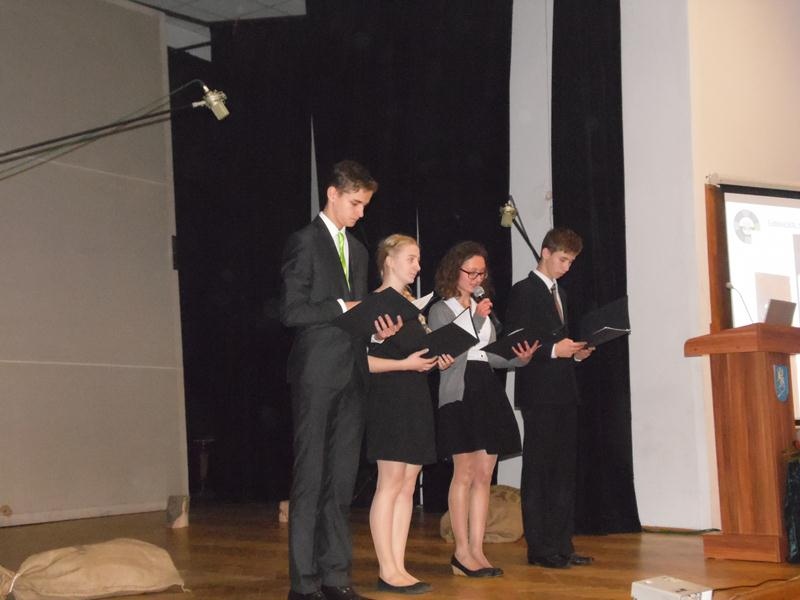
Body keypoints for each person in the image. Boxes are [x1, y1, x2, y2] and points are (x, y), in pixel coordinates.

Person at [280, 160, 396, 600]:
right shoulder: (304, 241)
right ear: (332, 193)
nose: (361, 213)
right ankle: (304, 584)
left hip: (352, 373)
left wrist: (376, 329)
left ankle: (335, 577)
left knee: (342, 481)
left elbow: (357, 316)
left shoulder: (360, 251)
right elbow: (292, 311)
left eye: (365, 205)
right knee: (311, 478)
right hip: (316, 374)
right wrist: (342, 307)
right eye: (355, 203)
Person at [428, 241, 538, 578]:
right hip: (460, 392)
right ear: (454, 271)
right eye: (471, 272)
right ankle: (461, 551)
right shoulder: (441, 309)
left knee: (484, 476)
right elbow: (452, 352)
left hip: (487, 389)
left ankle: (477, 550)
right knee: (464, 473)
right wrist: (476, 319)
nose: (477, 279)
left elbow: (486, 354)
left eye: (481, 273)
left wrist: (518, 359)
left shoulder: (482, 308)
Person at [365, 234, 454, 595]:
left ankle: (399, 566)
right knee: (390, 483)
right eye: (411, 258)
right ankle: (386, 569)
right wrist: (405, 363)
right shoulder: (372, 303)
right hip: (388, 399)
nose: (418, 266)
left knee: (406, 485)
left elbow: (420, 353)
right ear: (388, 260)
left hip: (415, 397)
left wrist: (437, 358)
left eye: (418, 259)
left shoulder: (412, 306)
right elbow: (363, 362)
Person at [505, 227, 595, 570]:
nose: (566, 267)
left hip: (564, 391)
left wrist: (574, 354)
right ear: (545, 252)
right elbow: (517, 342)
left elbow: (557, 342)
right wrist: (555, 350)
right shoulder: (523, 291)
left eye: (571, 262)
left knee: (563, 471)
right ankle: (540, 548)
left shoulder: (562, 293)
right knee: (540, 470)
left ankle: (562, 544)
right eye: (562, 259)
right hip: (539, 393)